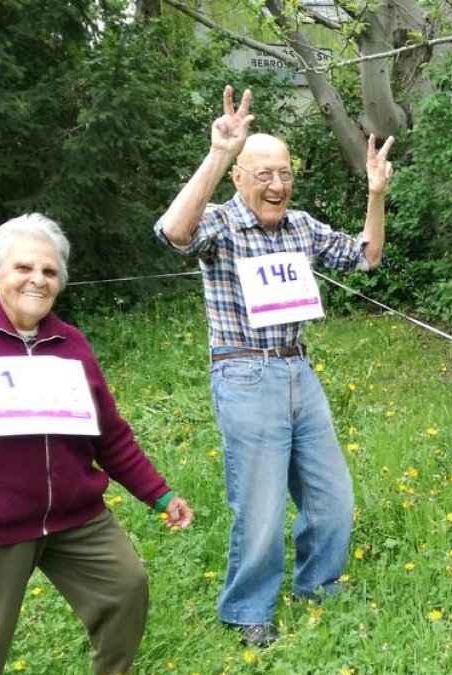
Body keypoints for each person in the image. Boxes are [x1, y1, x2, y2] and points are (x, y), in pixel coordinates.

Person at [0, 213, 193, 675]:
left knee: (126, 588)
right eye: (23, 268)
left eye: (50, 271)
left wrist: (160, 495)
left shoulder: (70, 344)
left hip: (76, 518)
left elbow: (109, 434)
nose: (37, 279)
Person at [154, 86, 394, 647]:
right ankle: (248, 610)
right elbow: (173, 233)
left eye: (284, 173)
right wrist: (219, 151)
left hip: (297, 373)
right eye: (262, 174)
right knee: (259, 505)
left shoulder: (300, 227)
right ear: (239, 178)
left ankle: (320, 587)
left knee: (332, 497)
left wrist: (375, 195)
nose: (277, 185)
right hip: (243, 373)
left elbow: (366, 256)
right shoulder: (219, 223)